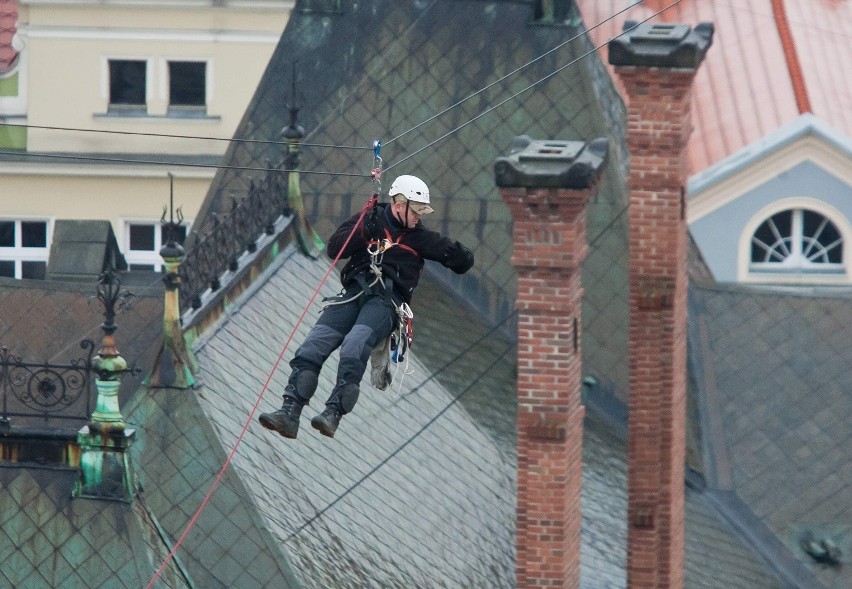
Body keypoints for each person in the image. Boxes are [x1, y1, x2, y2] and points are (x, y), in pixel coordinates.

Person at [258, 175, 475, 439]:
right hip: (354, 292)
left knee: (355, 344)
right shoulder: (369, 219)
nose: (419, 216)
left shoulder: (421, 238)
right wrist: (363, 230)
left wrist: (462, 257)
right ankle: (289, 412)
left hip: (386, 302)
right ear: (398, 204)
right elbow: (335, 248)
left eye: (421, 211)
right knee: (313, 345)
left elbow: (458, 260)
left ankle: (333, 413)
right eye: (415, 209)